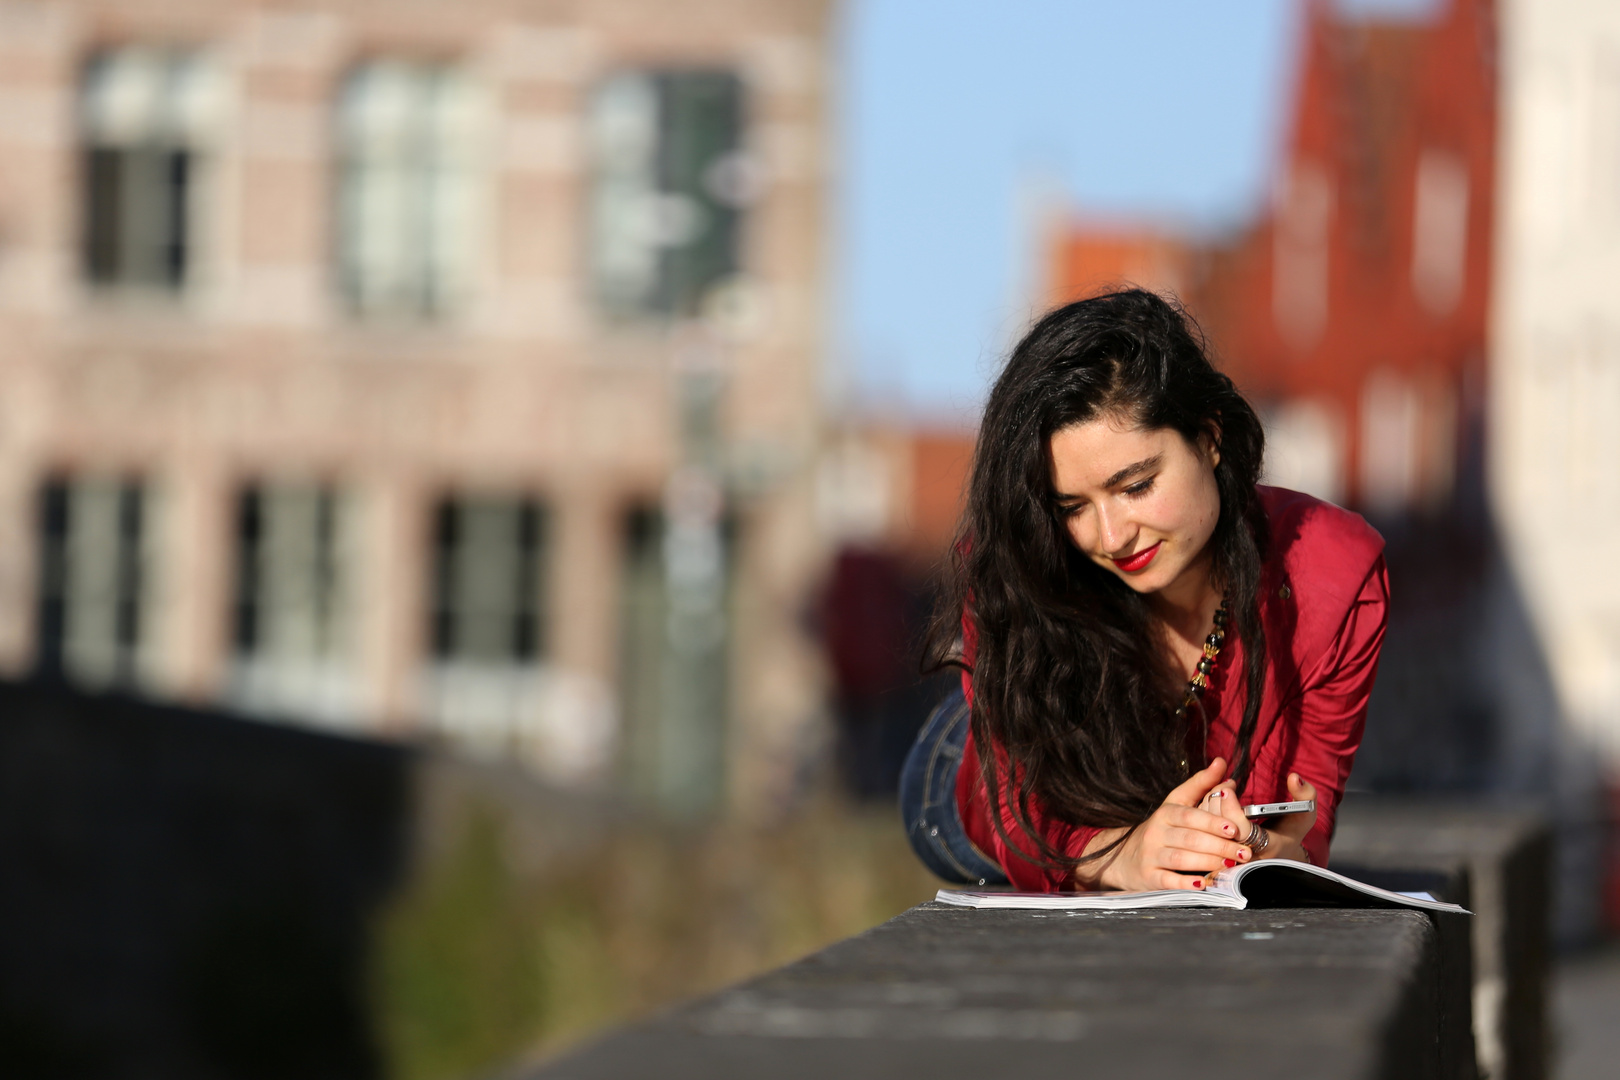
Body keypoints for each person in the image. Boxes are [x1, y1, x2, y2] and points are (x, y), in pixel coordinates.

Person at [899, 289, 1388, 893]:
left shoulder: (1336, 580)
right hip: (975, 781)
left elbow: (1308, 818)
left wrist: (1277, 849)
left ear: (1209, 439)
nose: (1110, 536)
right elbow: (1019, 825)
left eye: (1135, 486)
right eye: (1072, 506)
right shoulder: (1017, 570)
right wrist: (1125, 856)